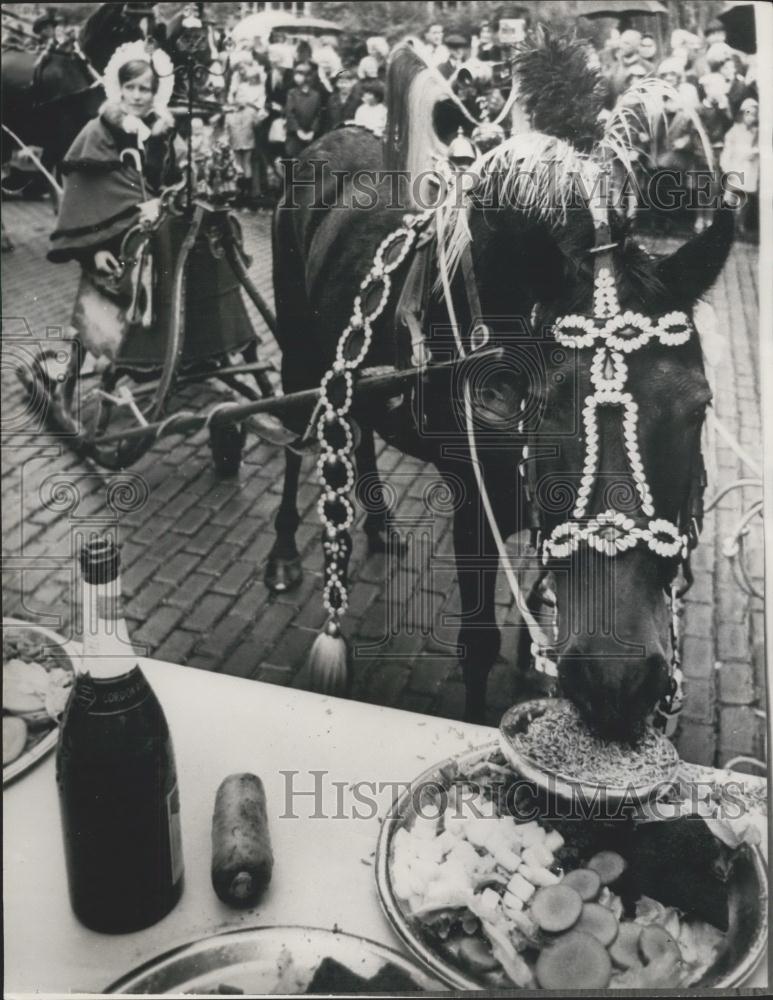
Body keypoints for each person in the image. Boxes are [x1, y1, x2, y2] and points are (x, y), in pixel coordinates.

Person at [48, 41, 255, 372]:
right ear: (118, 88)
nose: (137, 96)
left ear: (156, 93)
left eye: (145, 89)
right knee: (96, 316)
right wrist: (94, 251)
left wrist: (177, 184)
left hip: (158, 237)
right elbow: (83, 199)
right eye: (130, 87)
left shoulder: (164, 133)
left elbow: (175, 180)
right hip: (112, 243)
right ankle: (66, 375)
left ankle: (184, 350)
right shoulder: (97, 132)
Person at [720, 97, 759, 236]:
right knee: (732, 198)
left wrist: (755, 152)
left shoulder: (757, 133)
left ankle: (740, 225)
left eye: (754, 114)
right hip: (736, 168)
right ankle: (727, 226)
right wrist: (727, 168)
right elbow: (727, 150)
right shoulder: (734, 131)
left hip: (750, 169)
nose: (751, 117)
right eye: (748, 113)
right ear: (742, 114)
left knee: (745, 199)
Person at [284, 63, 322, 159]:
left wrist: (312, 131)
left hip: (311, 134)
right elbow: (290, 113)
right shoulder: (292, 93)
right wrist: (298, 131)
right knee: (295, 159)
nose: (297, 77)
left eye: (300, 74)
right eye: (296, 74)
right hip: (295, 134)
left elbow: (318, 114)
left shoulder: (316, 95)